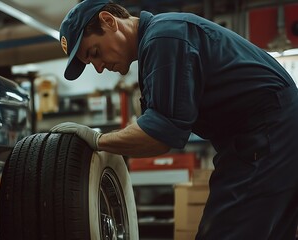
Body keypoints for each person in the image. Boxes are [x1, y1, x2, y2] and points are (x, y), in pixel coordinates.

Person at [50, 0, 298, 239]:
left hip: (269, 134)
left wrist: (96, 140)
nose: (99, 67)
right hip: (268, 135)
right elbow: (156, 126)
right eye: (91, 62)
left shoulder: (164, 38)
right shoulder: (156, 45)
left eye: (94, 52)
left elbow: (159, 135)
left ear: (108, 21)